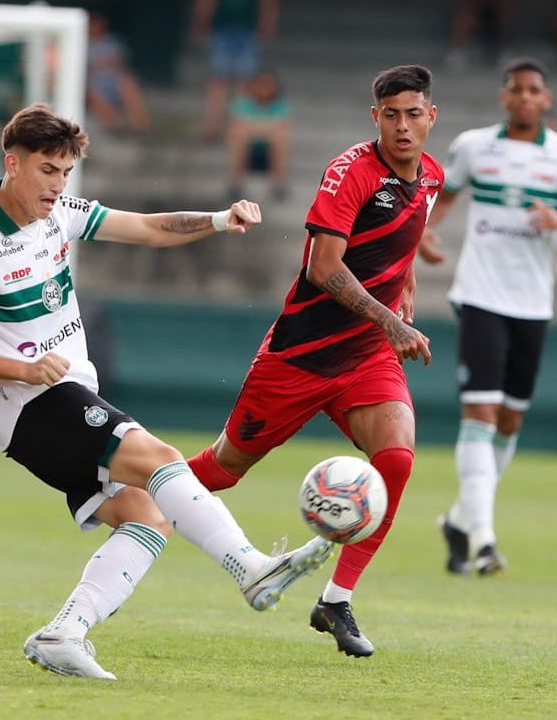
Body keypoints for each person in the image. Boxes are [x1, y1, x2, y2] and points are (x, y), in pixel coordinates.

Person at [0, 103, 333, 680]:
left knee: (148, 515)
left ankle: (63, 633)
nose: (58, 185)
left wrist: (219, 220)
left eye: (66, 172)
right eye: (48, 169)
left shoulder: (60, 214)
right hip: (28, 405)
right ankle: (250, 567)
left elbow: (148, 228)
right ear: (12, 163)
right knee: (159, 459)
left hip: (65, 392)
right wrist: (26, 370)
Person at [186, 65, 441, 659]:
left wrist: (405, 290)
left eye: (414, 114)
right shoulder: (349, 171)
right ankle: (130, 481)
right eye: (391, 115)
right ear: (374, 117)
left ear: (431, 117)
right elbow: (321, 268)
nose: (403, 126)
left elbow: (402, 244)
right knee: (222, 470)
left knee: (397, 459)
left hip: (367, 357)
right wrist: (391, 319)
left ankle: (335, 600)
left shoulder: (431, 177)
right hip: (301, 354)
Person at [418, 57, 557, 578]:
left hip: (533, 302)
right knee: (481, 414)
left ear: (546, 99)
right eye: (515, 89)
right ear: (503, 97)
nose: (523, 97)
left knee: (511, 419)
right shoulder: (473, 146)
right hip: (479, 294)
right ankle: (485, 540)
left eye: (533, 90)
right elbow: (442, 199)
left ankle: (457, 519)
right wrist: (422, 233)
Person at [193, 0, 279, 141]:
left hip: (245, 30)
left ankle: (237, 128)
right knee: (220, 83)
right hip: (224, 28)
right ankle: (214, 128)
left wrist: (267, 22)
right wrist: (202, 21)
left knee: (241, 84)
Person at [226, 68, 291, 202]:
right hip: (247, 151)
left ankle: (279, 185)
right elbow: (237, 126)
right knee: (239, 135)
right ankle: (235, 184)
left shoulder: (281, 105)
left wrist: (253, 128)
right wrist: (267, 128)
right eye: (261, 84)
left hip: (269, 152)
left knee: (280, 138)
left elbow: (282, 127)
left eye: (268, 84)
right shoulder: (242, 104)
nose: (264, 88)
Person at [85, 12, 151, 135]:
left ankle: (141, 126)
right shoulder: (82, 44)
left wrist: (101, 64)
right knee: (92, 91)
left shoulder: (113, 41)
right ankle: (116, 126)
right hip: (94, 83)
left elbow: (120, 62)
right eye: (92, 24)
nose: (94, 26)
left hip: (114, 80)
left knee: (128, 82)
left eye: (97, 23)